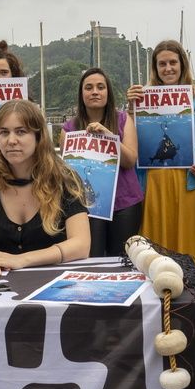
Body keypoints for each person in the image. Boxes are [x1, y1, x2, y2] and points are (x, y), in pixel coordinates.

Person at [0, 100, 90, 276]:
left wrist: (21, 260)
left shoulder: (64, 180)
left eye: (21, 132)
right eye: (4, 132)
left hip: (56, 284)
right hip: (3, 290)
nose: (11, 140)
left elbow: (81, 245)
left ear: (39, 137)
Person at [126, 40, 195, 285]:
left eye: (173, 62)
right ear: (155, 67)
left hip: (188, 182)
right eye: (162, 63)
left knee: (190, 244)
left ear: (182, 65)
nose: (168, 68)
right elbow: (131, 139)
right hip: (153, 182)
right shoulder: (141, 97)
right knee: (155, 245)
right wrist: (131, 109)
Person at [62, 67, 143, 256]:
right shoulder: (69, 128)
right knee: (92, 258)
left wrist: (108, 136)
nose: (95, 92)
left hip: (125, 204)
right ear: (81, 94)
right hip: (88, 206)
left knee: (122, 261)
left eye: (100, 87)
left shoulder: (123, 120)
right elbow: (67, 171)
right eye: (88, 88)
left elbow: (130, 160)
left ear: (108, 92)